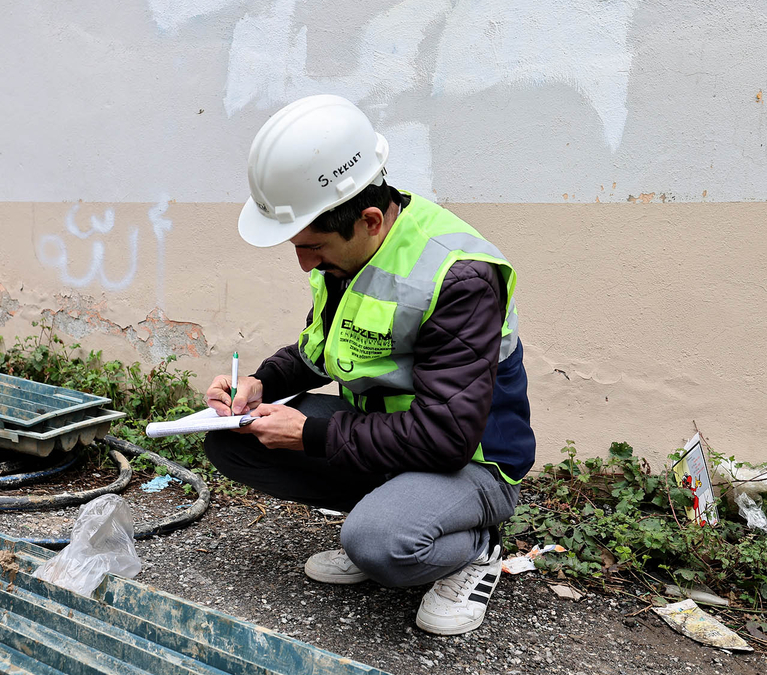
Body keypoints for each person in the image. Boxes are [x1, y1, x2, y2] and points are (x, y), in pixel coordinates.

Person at [203, 94, 535, 636]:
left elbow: (446, 437)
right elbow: (320, 351)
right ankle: (392, 508)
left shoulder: (460, 276)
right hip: (391, 445)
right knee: (230, 438)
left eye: (312, 246)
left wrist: (311, 434)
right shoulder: (347, 254)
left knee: (378, 544)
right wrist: (262, 382)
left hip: (470, 462)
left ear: (370, 219)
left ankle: (478, 545)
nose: (304, 262)